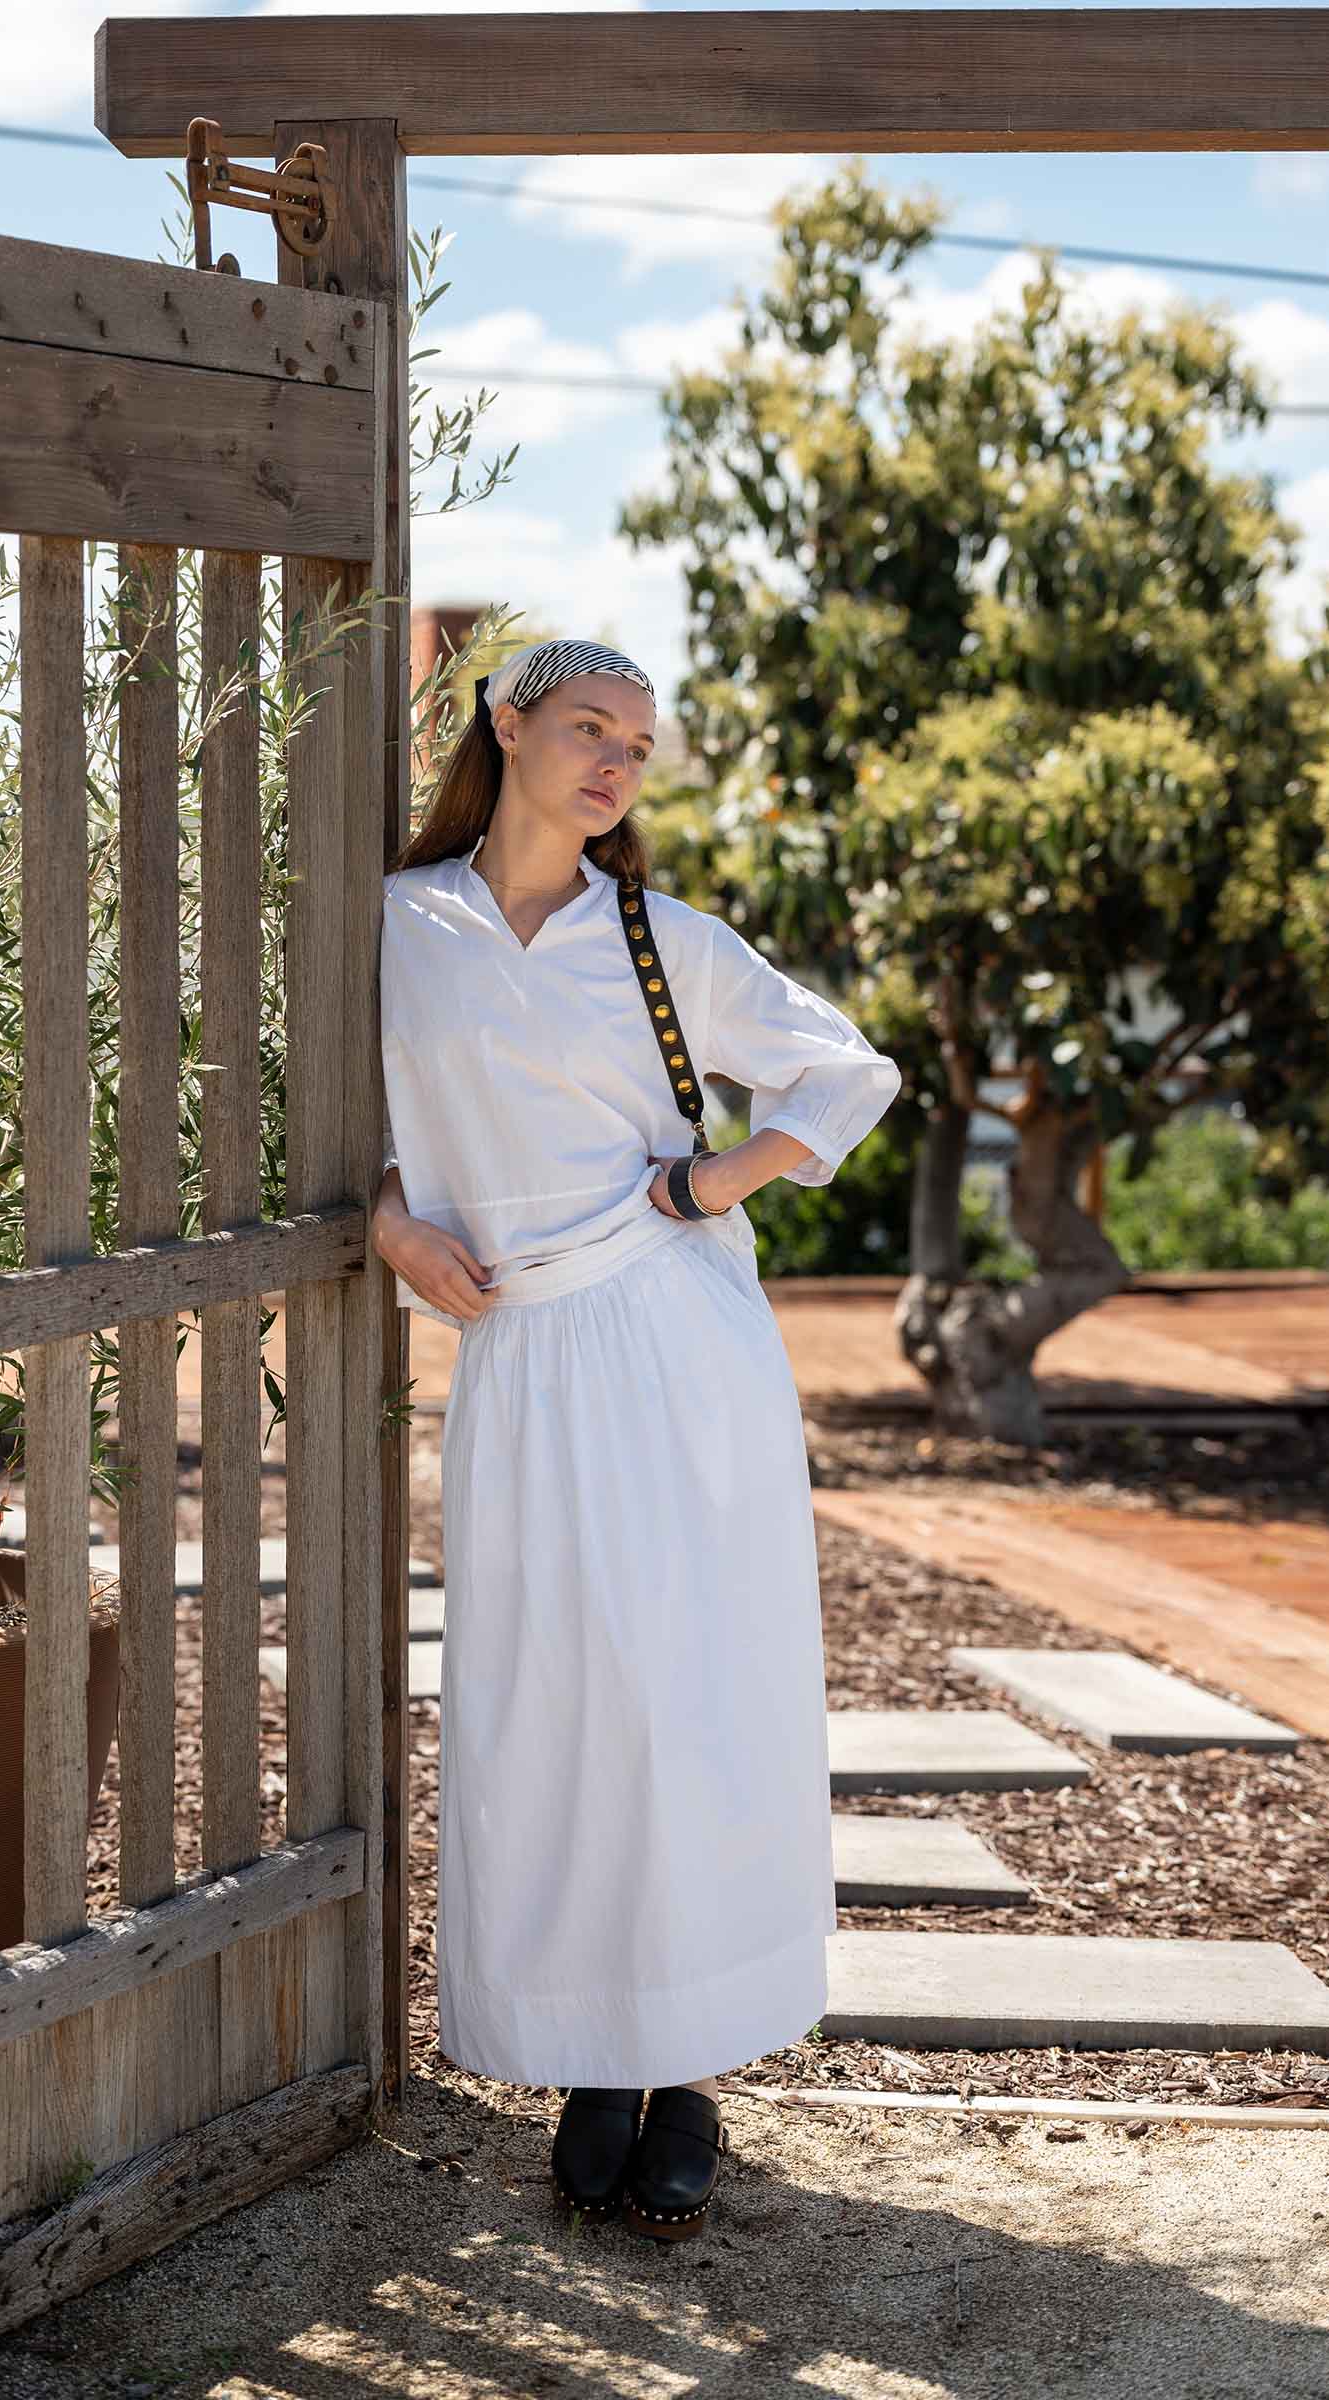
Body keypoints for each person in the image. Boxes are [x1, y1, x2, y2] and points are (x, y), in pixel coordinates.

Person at [373, 636, 903, 2243]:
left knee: (686, 1701)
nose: (615, 762)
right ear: (506, 723)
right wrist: (395, 1229)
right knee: (552, 1705)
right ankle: (589, 2050)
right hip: (523, 1352)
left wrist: (708, 1183)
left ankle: (680, 2077)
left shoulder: (663, 937)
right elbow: (317, 1116)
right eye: (589, 727)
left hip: (680, 1346)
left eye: (640, 745)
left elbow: (846, 1071)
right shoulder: (402, 930)